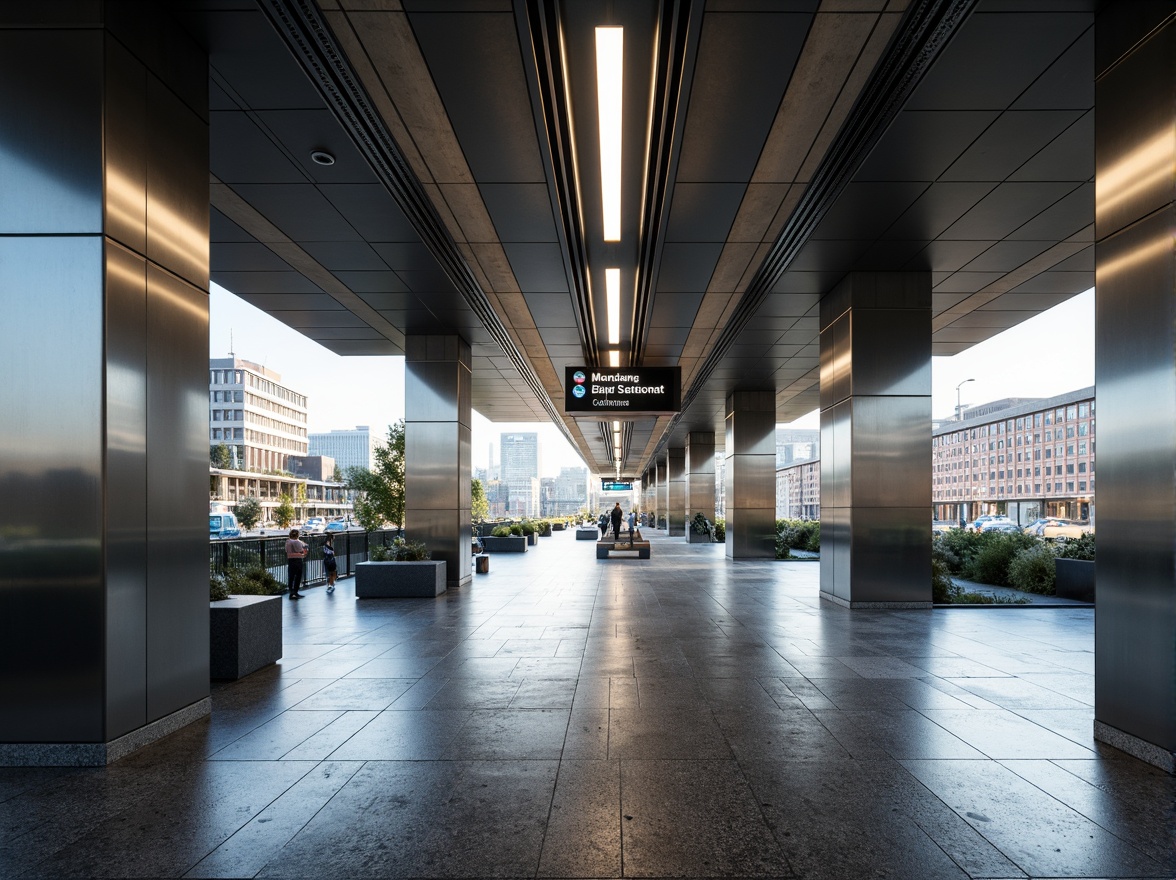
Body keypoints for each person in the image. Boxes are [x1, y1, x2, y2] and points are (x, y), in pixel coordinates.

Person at [285, 528, 308, 599]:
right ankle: (295, 592)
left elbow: (286, 550)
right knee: (298, 576)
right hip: (297, 560)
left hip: (290, 560)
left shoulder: (288, 542)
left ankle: (291, 592)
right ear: (297, 535)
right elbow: (300, 550)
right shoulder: (297, 542)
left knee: (291, 576)